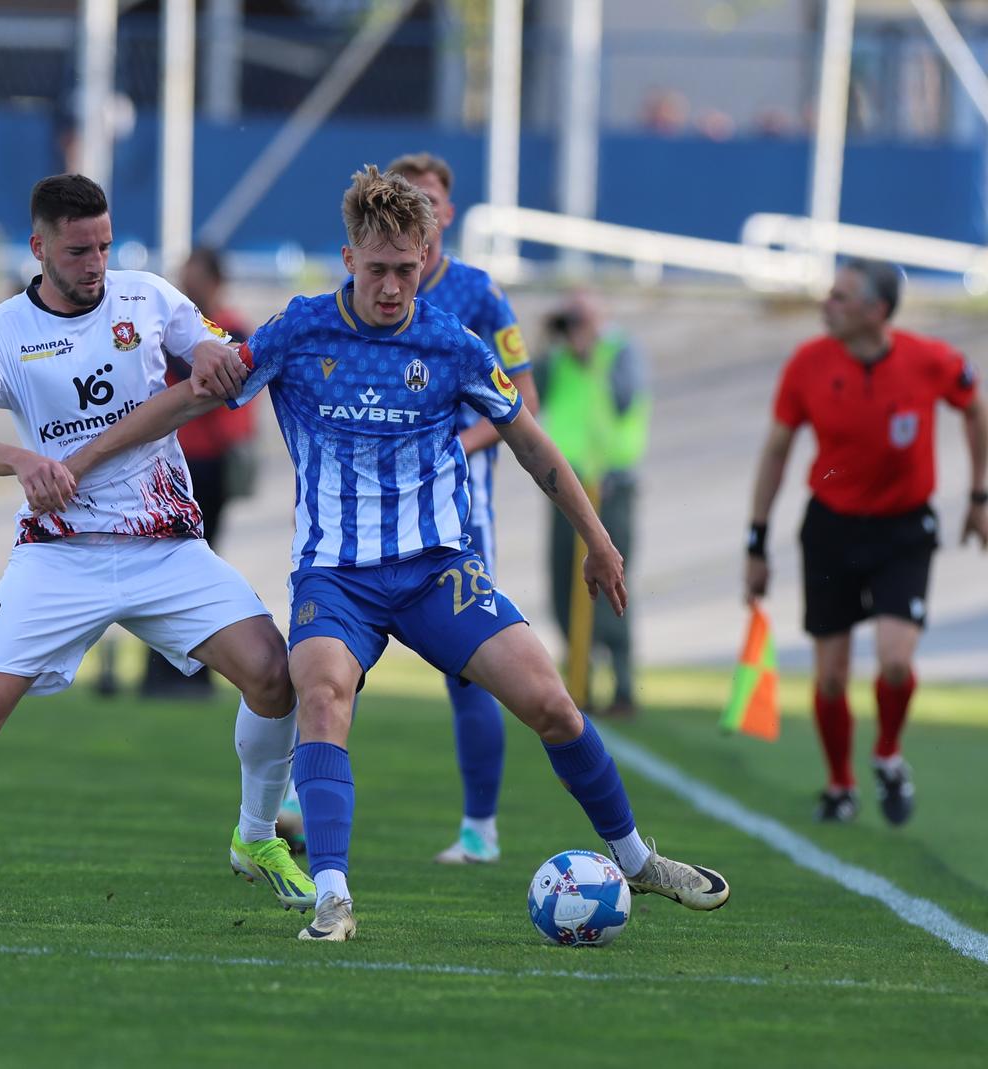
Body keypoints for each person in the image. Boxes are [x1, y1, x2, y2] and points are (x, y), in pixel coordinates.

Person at [64, 166, 729, 941]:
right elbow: (192, 398)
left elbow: (530, 441)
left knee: (550, 702)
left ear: (426, 258)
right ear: (349, 259)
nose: (391, 287)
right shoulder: (300, 330)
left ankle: (635, 858)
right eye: (377, 269)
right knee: (320, 695)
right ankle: (332, 895)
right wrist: (82, 462)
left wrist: (599, 540)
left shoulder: (451, 343)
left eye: (406, 270)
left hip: (435, 571)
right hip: (336, 576)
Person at [0, 174, 313, 918]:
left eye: (105, 246)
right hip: (59, 554)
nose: (96, 264)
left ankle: (253, 835)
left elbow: (212, 349)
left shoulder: (147, 297)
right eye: (79, 250)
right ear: (39, 246)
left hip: (165, 548)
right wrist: (22, 461)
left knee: (275, 674)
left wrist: (213, 353)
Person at [745, 258, 985, 825]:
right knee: (830, 674)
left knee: (895, 662)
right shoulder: (807, 364)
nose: (826, 304)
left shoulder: (930, 360)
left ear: (876, 311)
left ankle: (887, 756)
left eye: (841, 297)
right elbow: (777, 451)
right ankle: (840, 785)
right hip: (831, 528)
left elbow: (975, 408)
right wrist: (756, 541)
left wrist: (978, 496)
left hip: (904, 529)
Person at [386, 151, 541, 866]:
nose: (420, 209)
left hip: (459, 511)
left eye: (430, 200)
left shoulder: (479, 294)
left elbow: (524, 406)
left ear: (446, 213)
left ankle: (481, 827)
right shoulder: (368, 288)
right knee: (334, 645)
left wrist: (450, 438)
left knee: (471, 662)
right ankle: (294, 795)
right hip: (375, 505)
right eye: (405, 197)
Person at [139, 246, 259, 698]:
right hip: (170, 460)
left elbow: (230, 391)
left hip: (208, 461)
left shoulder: (228, 327)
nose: (187, 287)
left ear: (214, 280)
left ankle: (195, 670)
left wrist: (238, 451)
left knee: (198, 562)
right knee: (161, 563)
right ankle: (165, 669)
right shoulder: (173, 328)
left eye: (194, 278)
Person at [536, 289, 650, 718]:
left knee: (612, 582)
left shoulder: (620, 353)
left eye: (581, 317)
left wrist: (592, 352)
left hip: (612, 486)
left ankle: (622, 685)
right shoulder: (557, 357)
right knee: (564, 585)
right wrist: (550, 340)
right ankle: (578, 680)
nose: (575, 327)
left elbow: (625, 400)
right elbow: (530, 392)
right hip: (568, 489)